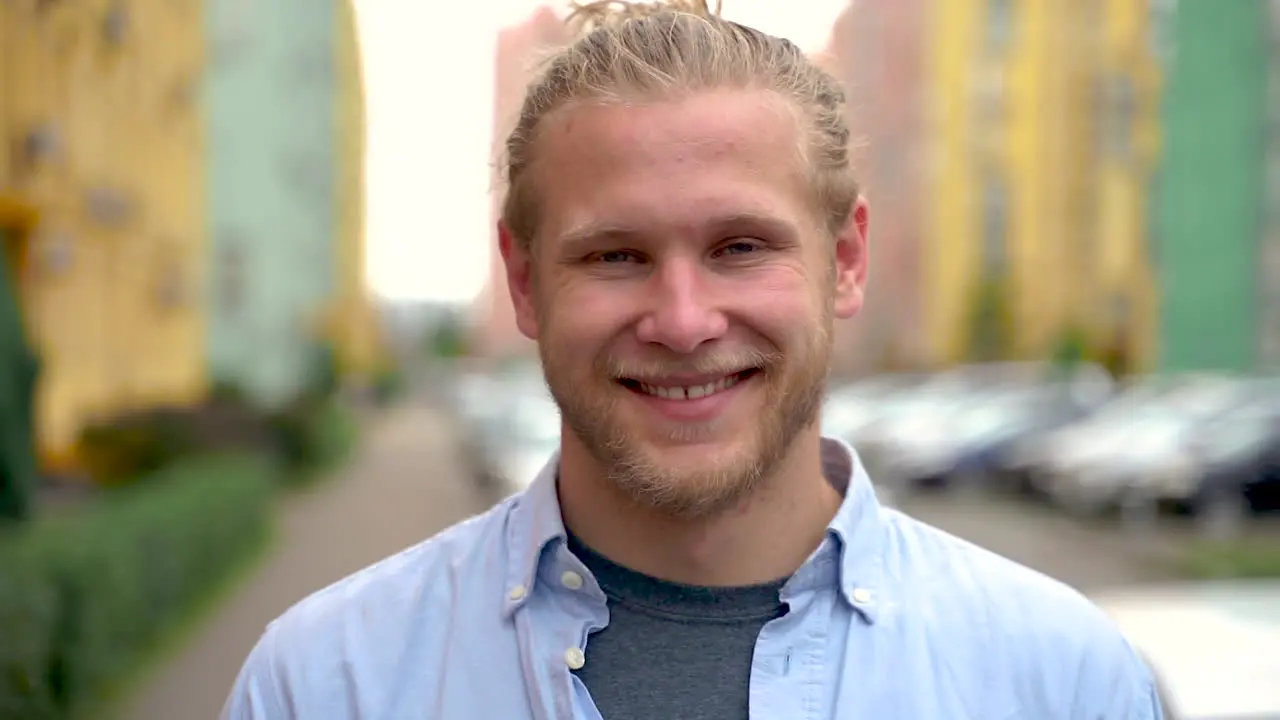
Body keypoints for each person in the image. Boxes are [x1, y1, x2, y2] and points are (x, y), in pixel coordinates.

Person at [222, 3, 1166, 718]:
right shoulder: (329, 682)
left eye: (741, 247)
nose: (681, 321)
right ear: (522, 281)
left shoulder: (1060, 679)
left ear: (846, 261)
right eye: (614, 255)